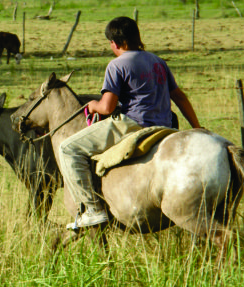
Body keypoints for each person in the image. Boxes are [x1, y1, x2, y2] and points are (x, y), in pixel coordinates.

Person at [61, 16, 202, 230]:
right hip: (166, 125)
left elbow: (107, 108)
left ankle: (92, 210)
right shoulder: (158, 62)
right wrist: (197, 128)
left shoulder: (117, 65)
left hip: (133, 124)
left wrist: (92, 105)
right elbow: (180, 97)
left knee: (68, 149)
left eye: (110, 42)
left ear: (116, 43)